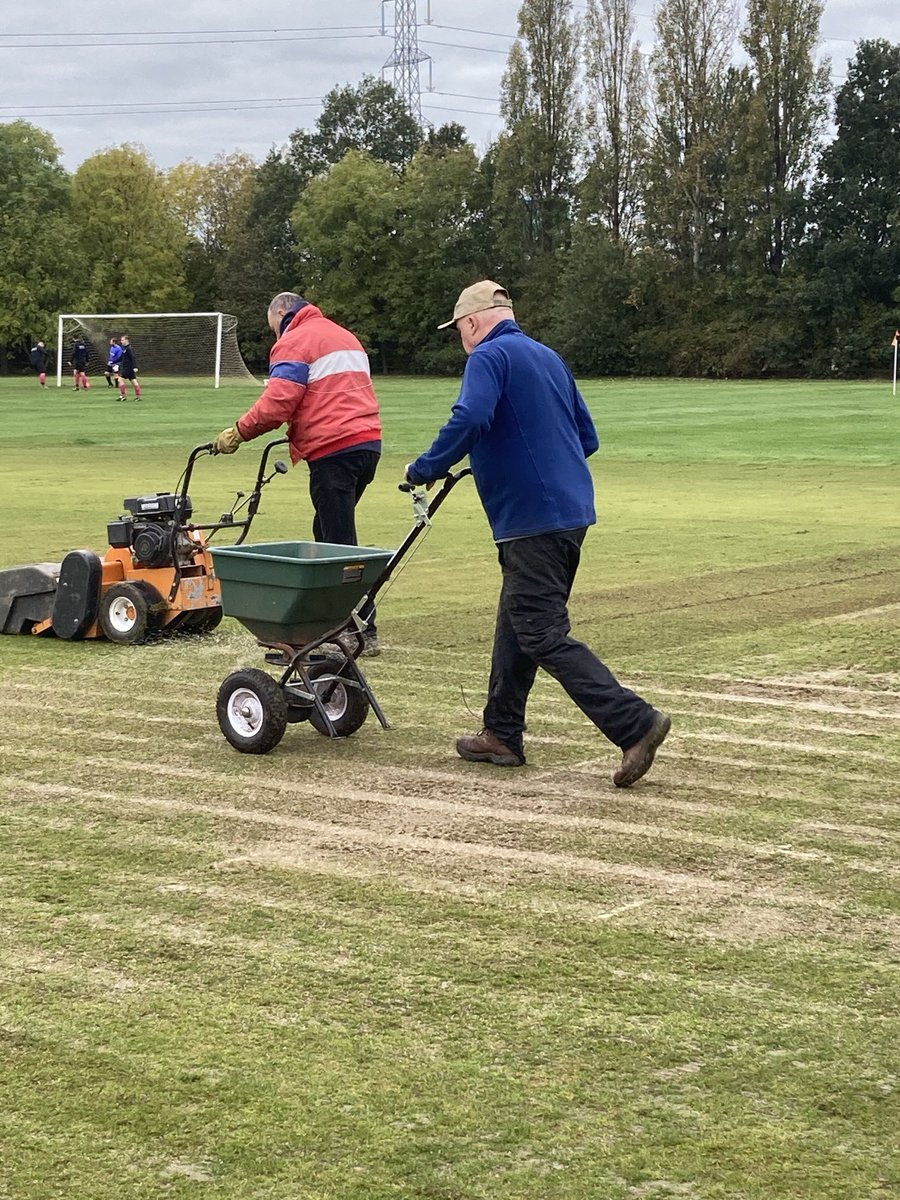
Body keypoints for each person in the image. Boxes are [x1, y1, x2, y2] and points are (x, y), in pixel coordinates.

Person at [404, 281, 671, 788]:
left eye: (460, 329)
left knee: (541, 632)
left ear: (475, 321)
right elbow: (586, 437)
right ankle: (502, 733)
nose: (461, 338)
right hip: (571, 512)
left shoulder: (488, 357)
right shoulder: (550, 358)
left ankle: (634, 723)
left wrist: (425, 467)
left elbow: (472, 417)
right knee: (518, 620)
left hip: (532, 520)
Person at [211, 291, 383, 655]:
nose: (274, 334)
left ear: (281, 312)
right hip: (367, 446)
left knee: (338, 546)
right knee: (326, 533)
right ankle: (332, 623)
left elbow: (280, 401)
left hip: (333, 449)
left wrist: (238, 432)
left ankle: (357, 630)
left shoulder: (295, 340)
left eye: (272, 325)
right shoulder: (343, 335)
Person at [117, 334, 142, 401]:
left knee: (120, 380)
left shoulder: (129, 348)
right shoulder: (124, 348)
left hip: (127, 368)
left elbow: (133, 357)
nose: (121, 341)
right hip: (129, 368)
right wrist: (113, 362)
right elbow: (121, 357)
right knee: (134, 381)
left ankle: (123, 396)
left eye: (122, 340)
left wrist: (135, 366)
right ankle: (138, 397)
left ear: (126, 340)